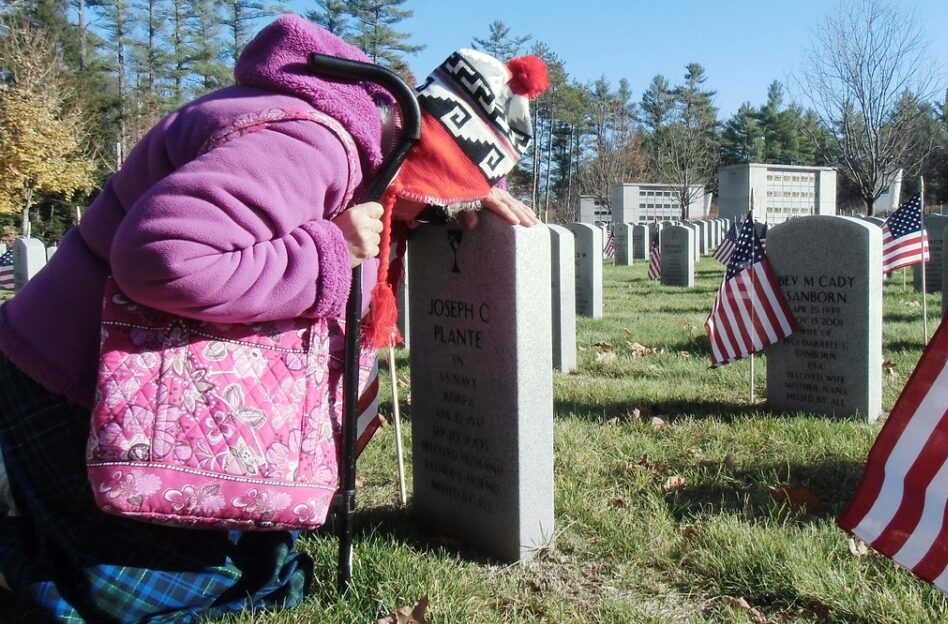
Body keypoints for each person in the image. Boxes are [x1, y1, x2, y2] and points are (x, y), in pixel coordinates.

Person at [0, 14, 546, 622]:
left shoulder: (354, 136)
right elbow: (161, 257)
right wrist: (331, 250)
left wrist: (461, 191)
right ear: (416, 160)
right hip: (75, 388)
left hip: (144, 392)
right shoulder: (310, 145)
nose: (426, 220)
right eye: (437, 201)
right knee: (183, 596)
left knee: (264, 561)